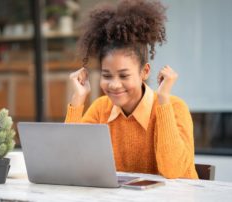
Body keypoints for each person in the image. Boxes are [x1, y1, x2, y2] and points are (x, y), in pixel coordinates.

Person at [65, 0, 198, 179]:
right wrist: (78, 100)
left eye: (124, 76)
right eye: (107, 75)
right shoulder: (100, 109)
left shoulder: (175, 108)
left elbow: (172, 171)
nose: (114, 84)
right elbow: (70, 162)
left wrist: (163, 99)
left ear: (144, 72)